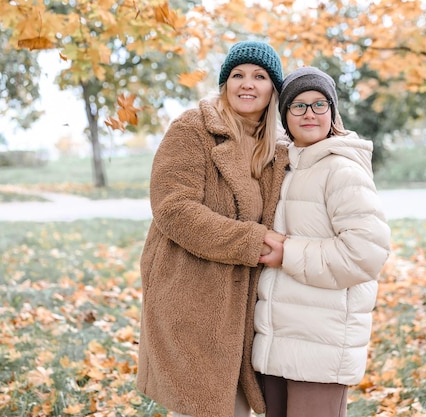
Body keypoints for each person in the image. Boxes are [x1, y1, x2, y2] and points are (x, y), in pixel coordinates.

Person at [136, 40, 290, 417]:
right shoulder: (193, 130)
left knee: (234, 407)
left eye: (259, 76)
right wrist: (251, 241)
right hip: (191, 295)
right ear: (225, 84)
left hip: (244, 308)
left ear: (274, 88)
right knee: (200, 406)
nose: (247, 84)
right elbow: (173, 208)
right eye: (237, 75)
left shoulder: (274, 146)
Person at [253, 66, 392, 417]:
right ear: (284, 115)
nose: (310, 113)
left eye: (319, 104)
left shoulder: (342, 170)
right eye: (298, 105)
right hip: (278, 337)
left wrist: (289, 252)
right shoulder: (282, 166)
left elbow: (366, 254)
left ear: (333, 111)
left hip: (322, 343)